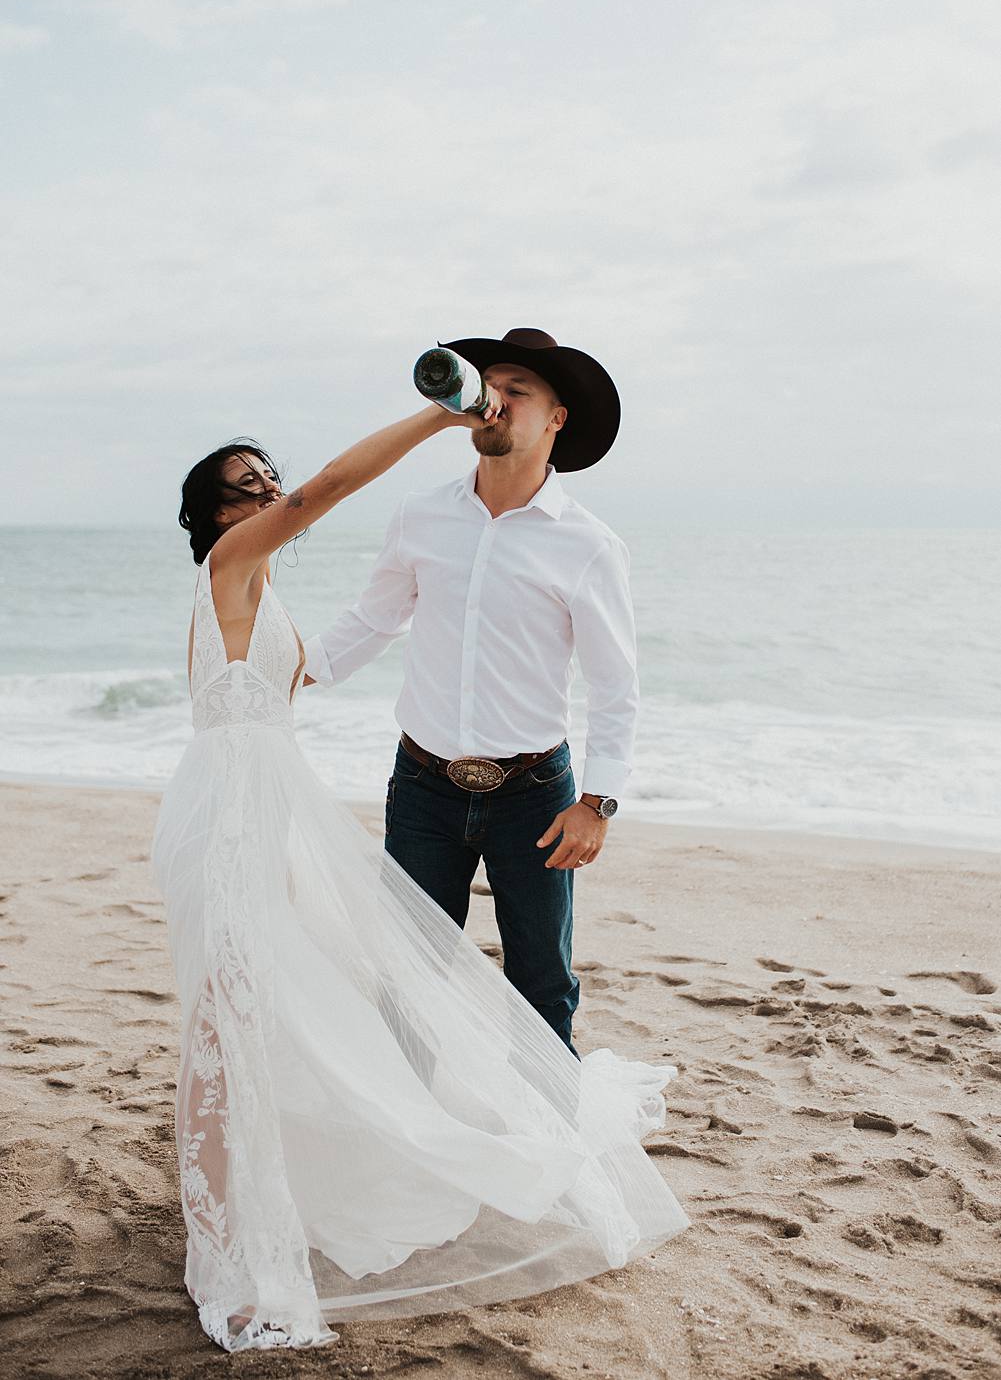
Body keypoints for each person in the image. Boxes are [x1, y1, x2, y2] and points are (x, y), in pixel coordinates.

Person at [152, 378, 689, 1356]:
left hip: (311, 806)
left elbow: (320, 656)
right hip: (238, 813)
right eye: (242, 483)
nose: (266, 488)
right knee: (232, 1012)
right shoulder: (236, 560)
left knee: (285, 1000)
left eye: (265, 474)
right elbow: (325, 502)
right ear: (211, 517)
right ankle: (229, 1228)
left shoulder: (260, 584)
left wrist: (597, 797)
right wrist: (437, 417)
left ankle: (285, 1181)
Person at [305, 328, 636, 1056]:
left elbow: (615, 688)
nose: (496, 401)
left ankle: (549, 1152)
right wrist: (288, 673)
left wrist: (597, 803)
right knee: (406, 976)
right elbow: (373, 618)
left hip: (535, 797)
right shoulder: (421, 515)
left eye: (517, 391)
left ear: (555, 418)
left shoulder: (587, 544)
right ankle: (412, 1142)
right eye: (490, 386)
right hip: (422, 787)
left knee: (541, 983)